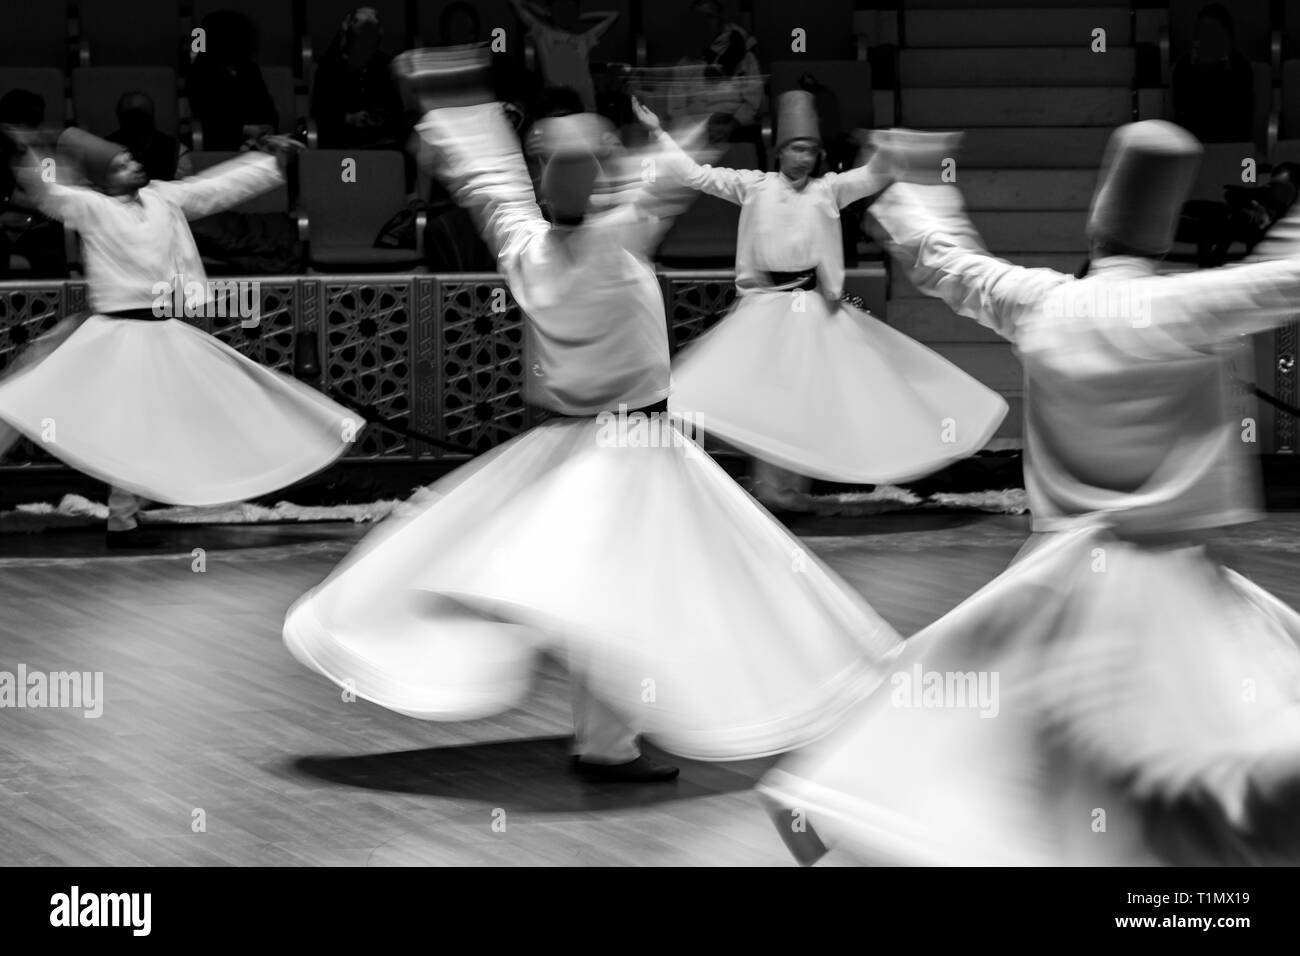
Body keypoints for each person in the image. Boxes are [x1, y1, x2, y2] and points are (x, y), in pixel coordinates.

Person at [283, 52, 900, 782]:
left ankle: (601, 732)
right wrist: (710, 116)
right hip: (630, 449)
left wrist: (451, 106)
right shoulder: (615, 240)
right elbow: (664, 184)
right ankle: (612, 741)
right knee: (639, 591)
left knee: (597, 587)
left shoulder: (527, 245)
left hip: (568, 445)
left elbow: (490, 182)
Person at [760, 122, 1300, 866]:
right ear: (1166, 225)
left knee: (1013, 758)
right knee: (1192, 775)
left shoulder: (1042, 305)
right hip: (1178, 588)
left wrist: (911, 180)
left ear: (1097, 215)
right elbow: (1289, 275)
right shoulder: (1198, 306)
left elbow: (944, 261)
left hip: (1061, 579)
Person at [634, 93, 1008, 515]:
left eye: (811, 150)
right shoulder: (754, 186)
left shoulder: (830, 189)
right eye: (797, 148)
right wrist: (657, 132)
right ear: (780, 150)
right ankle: (771, 485)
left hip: (811, 307)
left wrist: (887, 143)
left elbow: (876, 173)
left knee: (806, 398)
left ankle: (791, 485)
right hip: (764, 308)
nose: (804, 157)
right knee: (764, 398)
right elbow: (693, 175)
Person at [0, 128, 363, 549]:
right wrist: (28, 151)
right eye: (120, 165)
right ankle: (122, 519)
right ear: (104, 180)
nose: (134, 166)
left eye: (131, 159)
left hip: (160, 331)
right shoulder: (91, 206)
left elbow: (215, 189)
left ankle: (128, 516)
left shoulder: (162, 197)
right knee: (66, 410)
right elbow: (52, 193)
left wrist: (269, 162)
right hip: (114, 333)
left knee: (158, 422)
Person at [309, 7, 404, 151]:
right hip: (343, 138)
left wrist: (377, 117)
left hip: (383, 139)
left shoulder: (385, 65)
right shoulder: (329, 67)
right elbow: (321, 113)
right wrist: (349, 118)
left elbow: (396, 109)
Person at [187, 9, 279, 151]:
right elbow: (209, 117)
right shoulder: (200, 72)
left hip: (258, 140)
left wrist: (268, 125)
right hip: (222, 142)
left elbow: (265, 103)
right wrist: (245, 129)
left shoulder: (249, 68)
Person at [511, 0, 618, 113]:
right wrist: (545, 13)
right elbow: (516, 3)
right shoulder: (542, 34)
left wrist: (579, 16)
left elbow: (614, 15)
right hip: (558, 106)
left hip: (586, 106)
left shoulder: (584, 39)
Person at [1171, 3, 1254, 144]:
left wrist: (1216, 69)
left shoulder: (1241, 67)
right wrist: (1198, 69)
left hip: (1231, 143)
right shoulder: (1184, 66)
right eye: (1203, 33)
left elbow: (1239, 117)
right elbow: (1183, 112)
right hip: (1193, 144)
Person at [107, 91, 191, 183]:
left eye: (140, 118)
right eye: (130, 120)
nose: (136, 126)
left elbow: (181, 192)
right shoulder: (103, 150)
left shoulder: (175, 151)